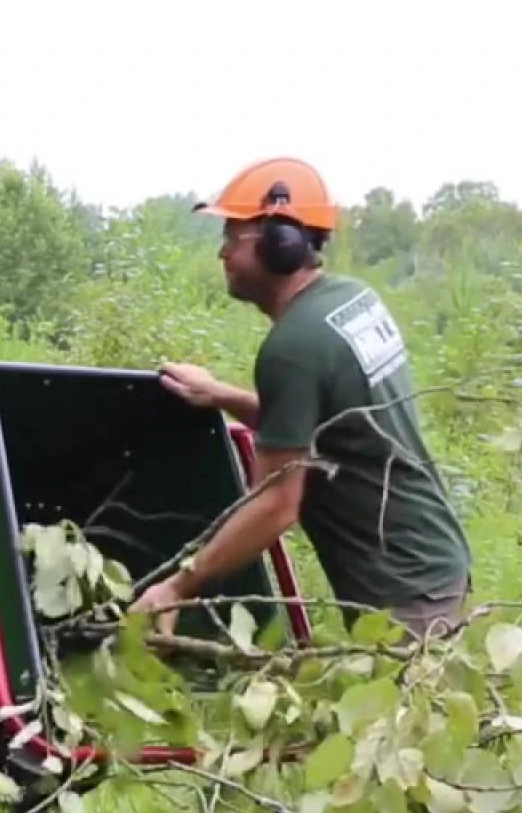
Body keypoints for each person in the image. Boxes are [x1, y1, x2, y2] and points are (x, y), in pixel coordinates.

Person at [129, 157, 472, 641]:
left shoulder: (292, 348)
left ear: (280, 243)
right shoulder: (352, 300)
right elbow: (328, 427)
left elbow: (275, 504)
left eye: (233, 235)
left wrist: (177, 587)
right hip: (431, 560)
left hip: (404, 590)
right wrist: (220, 395)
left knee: (405, 714)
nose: (222, 252)